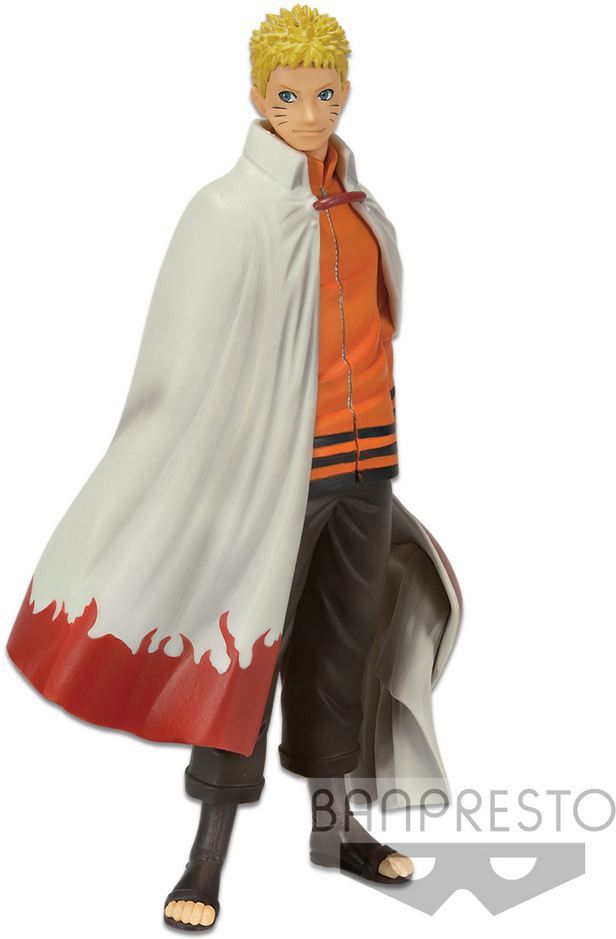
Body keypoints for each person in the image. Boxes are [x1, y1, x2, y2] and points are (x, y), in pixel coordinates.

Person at [6, 6, 462, 931]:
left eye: (325, 93)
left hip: (368, 466)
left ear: (347, 92)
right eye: (289, 96)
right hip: (270, 480)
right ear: (257, 95)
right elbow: (180, 368)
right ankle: (205, 856)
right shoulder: (227, 213)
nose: (309, 113)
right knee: (238, 657)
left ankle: (336, 830)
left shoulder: (361, 208)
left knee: (341, 653)